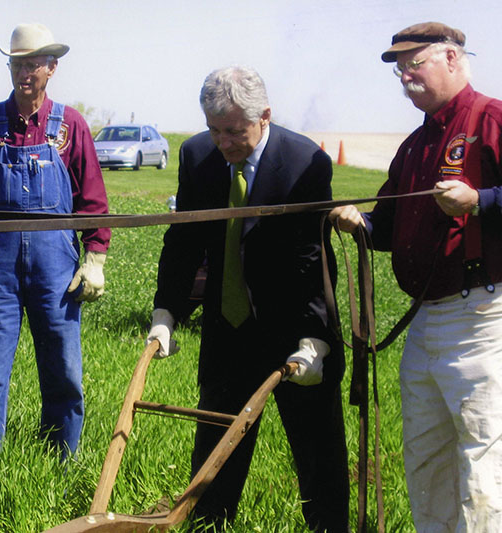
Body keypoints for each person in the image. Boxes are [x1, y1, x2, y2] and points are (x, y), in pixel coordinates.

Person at [147, 66, 349, 531]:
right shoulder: (198, 155)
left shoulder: (304, 162)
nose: (224, 142)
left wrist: (314, 338)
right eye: (215, 130)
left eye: (235, 131)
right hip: (228, 332)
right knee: (215, 458)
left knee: (318, 458)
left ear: (265, 117)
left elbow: (312, 258)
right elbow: (185, 243)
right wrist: (166, 312)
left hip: (293, 333)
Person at [329, 21, 502, 532]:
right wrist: (361, 222)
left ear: (452, 59)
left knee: (482, 468)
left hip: (482, 318)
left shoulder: (491, 118)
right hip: (426, 322)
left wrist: (482, 201)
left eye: (414, 65)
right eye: (399, 70)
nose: (405, 77)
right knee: (425, 461)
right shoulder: (414, 145)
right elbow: (387, 224)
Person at [0, 22, 110, 460]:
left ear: (51, 67)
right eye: (17, 64)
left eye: (33, 65)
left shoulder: (70, 126)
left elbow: (93, 199)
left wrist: (95, 257)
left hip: (56, 267)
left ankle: (64, 456)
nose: (25, 73)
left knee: (63, 366)